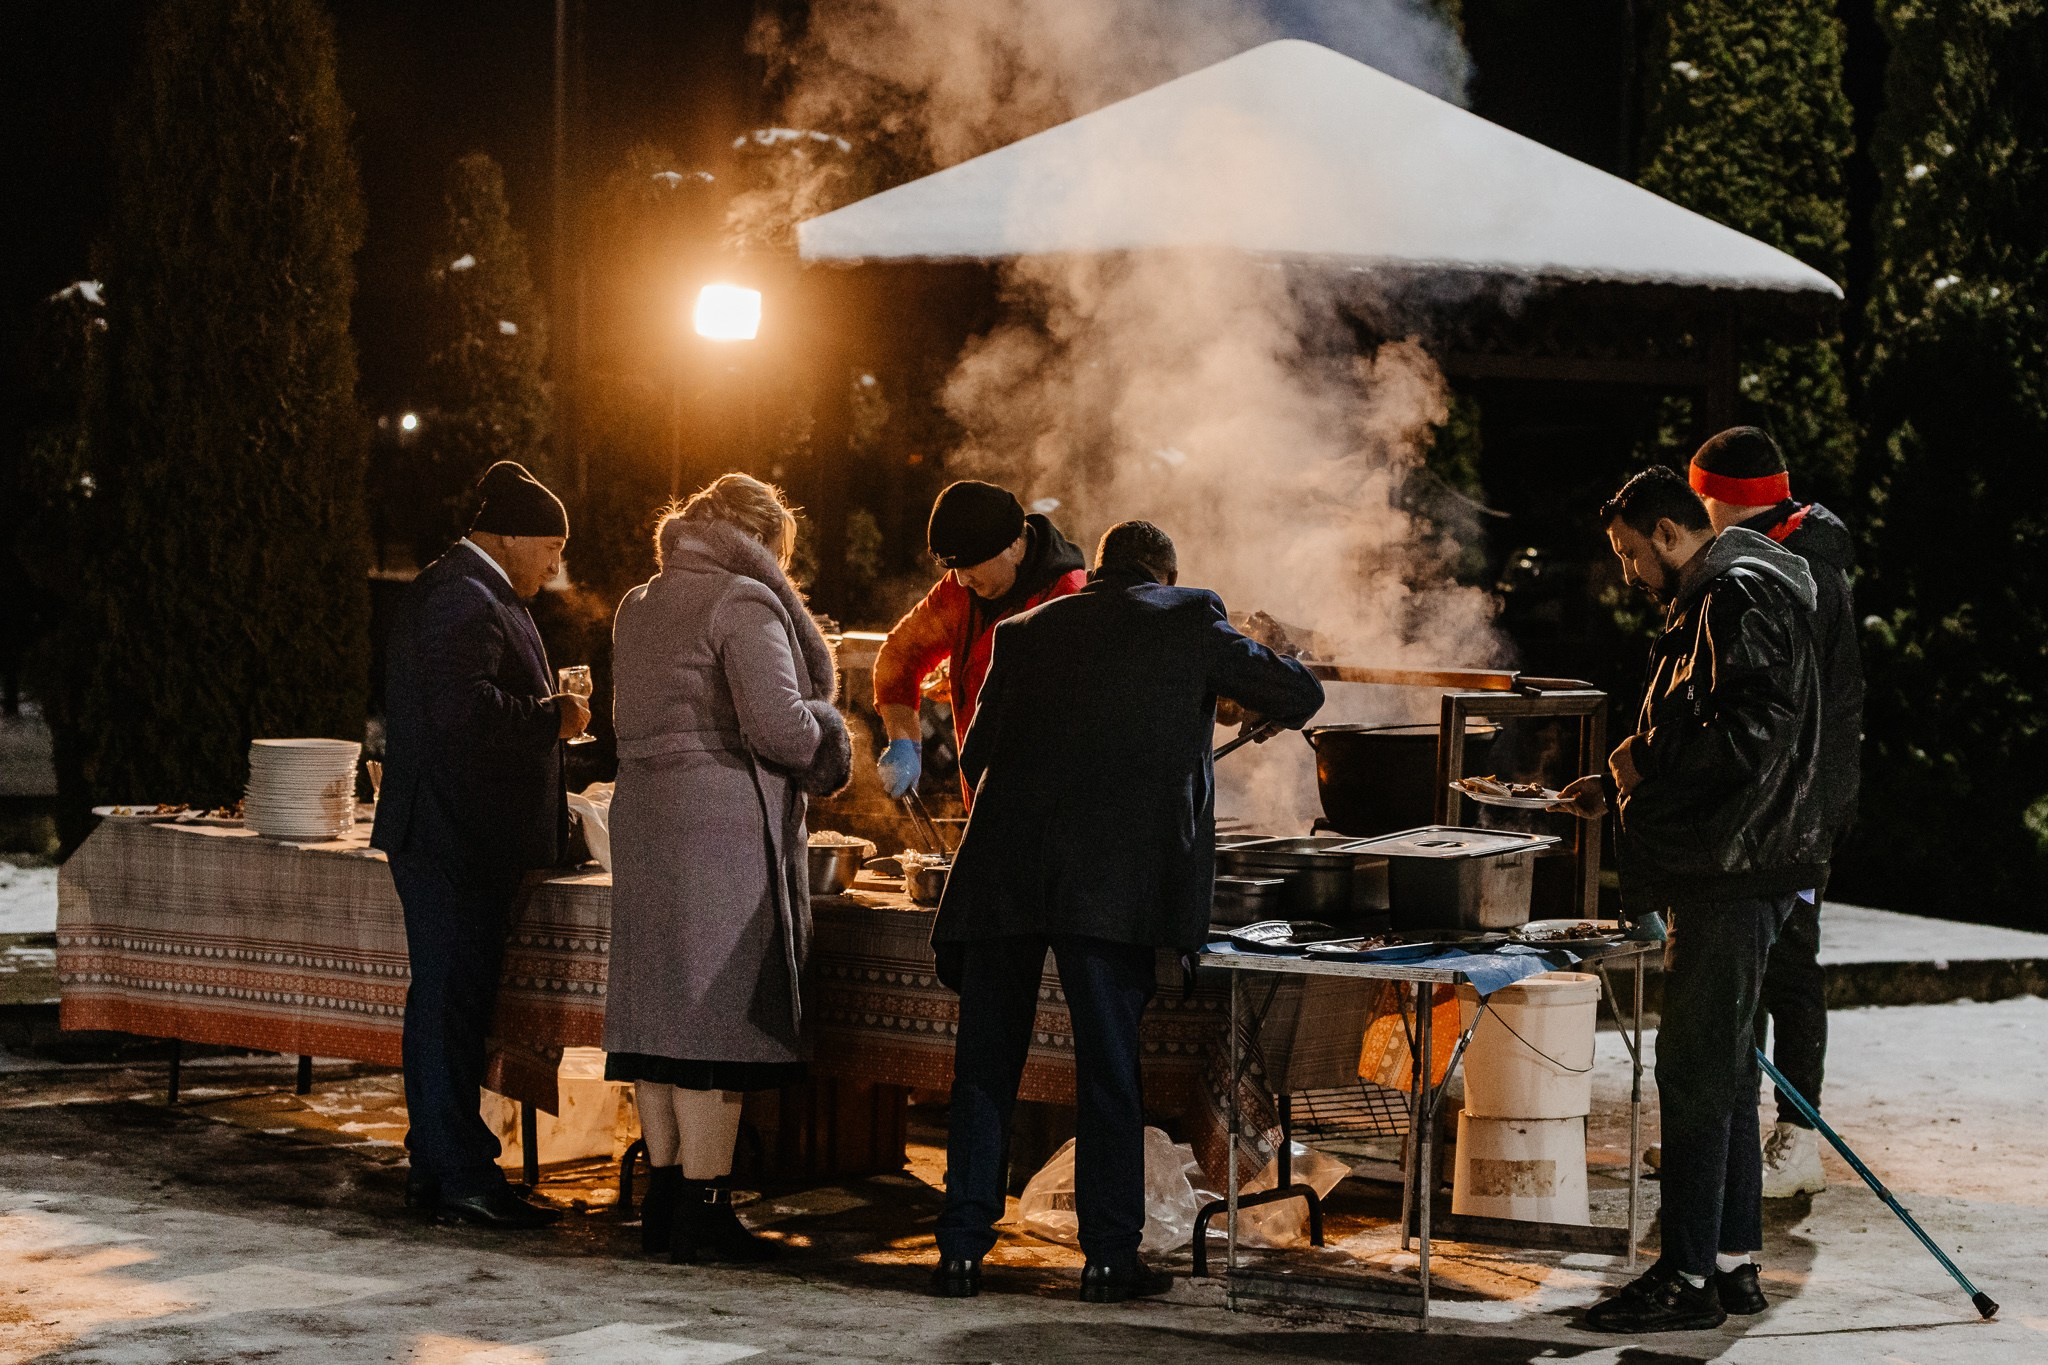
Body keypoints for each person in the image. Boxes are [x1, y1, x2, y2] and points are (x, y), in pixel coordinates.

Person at [927, 521, 1324, 1303]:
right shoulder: (1188, 616)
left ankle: (959, 1254)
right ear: (1166, 572)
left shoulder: (1025, 628)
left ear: (1103, 568)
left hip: (1005, 869)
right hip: (1108, 883)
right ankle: (1109, 1258)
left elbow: (976, 756)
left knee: (983, 1068)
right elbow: (1300, 693)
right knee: (1107, 1071)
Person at [1555, 467, 1829, 1332]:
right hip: (1735, 864)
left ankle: (1682, 1277)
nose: (1630, 573)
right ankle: (1732, 1263)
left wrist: (1648, 770)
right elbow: (1699, 726)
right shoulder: (1718, 599)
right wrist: (1618, 781)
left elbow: (1749, 737)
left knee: (1695, 1068)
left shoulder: (1737, 597)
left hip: (1735, 870)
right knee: (1724, 1067)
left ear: (1671, 535)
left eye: (1633, 555)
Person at [602, 474, 852, 1264]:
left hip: (643, 815)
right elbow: (778, 727)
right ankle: (706, 1208)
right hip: (717, 828)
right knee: (714, 1012)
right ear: (763, 543)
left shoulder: (639, 602)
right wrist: (829, 727)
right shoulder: (742, 602)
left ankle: (666, 1195)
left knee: (660, 1012)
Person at [374, 460, 591, 1228]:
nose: (556, 564)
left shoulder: (475, 591)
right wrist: (551, 719)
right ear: (511, 535)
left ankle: (439, 1164)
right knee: (446, 1005)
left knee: (450, 1004)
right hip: (450, 835)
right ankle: (460, 1171)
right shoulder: (462, 596)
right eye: (552, 547)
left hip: (460, 834)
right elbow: (457, 712)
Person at [1689, 427, 1865, 1199]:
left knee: (1789, 966)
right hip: (1788, 799)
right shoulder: (1789, 553)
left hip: (1802, 801)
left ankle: (1798, 1135)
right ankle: (1732, 1136)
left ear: (1724, 498)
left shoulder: (1802, 569)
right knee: (1752, 967)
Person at [872, 481, 1086, 804]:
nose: (959, 580)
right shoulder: (963, 588)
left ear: (1013, 546)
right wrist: (905, 740)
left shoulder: (1067, 601)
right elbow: (901, 654)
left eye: (969, 567)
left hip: (1046, 812)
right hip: (981, 804)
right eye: (953, 568)